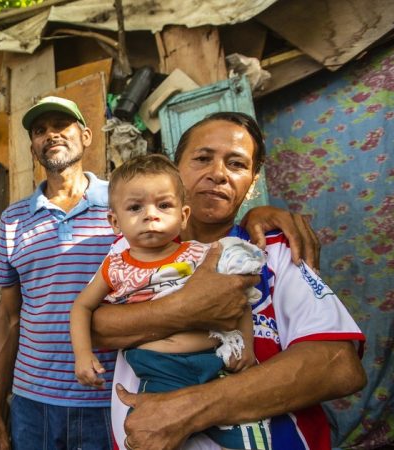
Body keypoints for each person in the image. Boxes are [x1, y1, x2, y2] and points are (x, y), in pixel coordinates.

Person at [0, 96, 321, 450]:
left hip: (113, 393)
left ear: (85, 136)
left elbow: (202, 227)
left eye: (61, 126)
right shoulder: (13, 220)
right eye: (40, 130)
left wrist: (255, 213)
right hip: (32, 398)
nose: (50, 135)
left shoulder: (133, 197)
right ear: (33, 144)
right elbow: (7, 317)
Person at [90, 112, 367, 450]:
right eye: (203, 158)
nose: (218, 174)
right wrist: (188, 308)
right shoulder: (133, 246)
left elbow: (339, 366)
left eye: (236, 164)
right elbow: (96, 326)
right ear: (176, 168)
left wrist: (191, 408)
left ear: (252, 181)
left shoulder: (275, 250)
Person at [70, 153, 269, 449]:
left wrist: (246, 345)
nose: (151, 215)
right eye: (136, 207)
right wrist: (83, 355)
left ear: (183, 215)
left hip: (215, 365)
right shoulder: (114, 266)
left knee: (249, 438)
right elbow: (82, 307)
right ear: (115, 221)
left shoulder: (203, 255)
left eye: (163, 205)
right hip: (160, 369)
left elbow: (238, 300)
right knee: (153, 435)